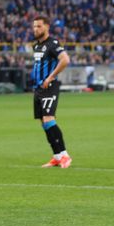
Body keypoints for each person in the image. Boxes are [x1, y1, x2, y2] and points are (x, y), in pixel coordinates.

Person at [31, 16, 71, 168]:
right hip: (38, 89)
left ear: (47, 27)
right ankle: (56, 156)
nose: (36, 29)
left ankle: (65, 155)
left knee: (49, 120)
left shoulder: (52, 44)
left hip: (49, 87)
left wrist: (50, 77)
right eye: (34, 26)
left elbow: (65, 60)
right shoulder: (36, 46)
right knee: (44, 123)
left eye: (39, 26)